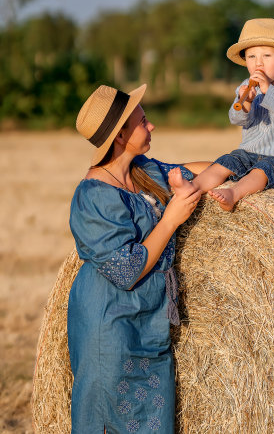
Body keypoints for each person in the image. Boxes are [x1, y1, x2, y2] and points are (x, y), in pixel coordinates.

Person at [67, 83, 207, 434]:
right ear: (120, 136)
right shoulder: (93, 197)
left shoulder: (143, 172)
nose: (152, 126)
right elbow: (127, 269)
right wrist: (171, 217)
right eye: (143, 121)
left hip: (149, 325)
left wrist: (243, 168)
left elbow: (192, 171)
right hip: (110, 330)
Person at [169, 18, 274, 211]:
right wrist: (246, 103)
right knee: (224, 162)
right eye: (251, 57)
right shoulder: (245, 86)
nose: (258, 63)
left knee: (263, 171)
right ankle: (193, 187)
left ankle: (233, 194)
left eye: (267, 56)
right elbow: (235, 118)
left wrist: (269, 90)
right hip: (249, 153)